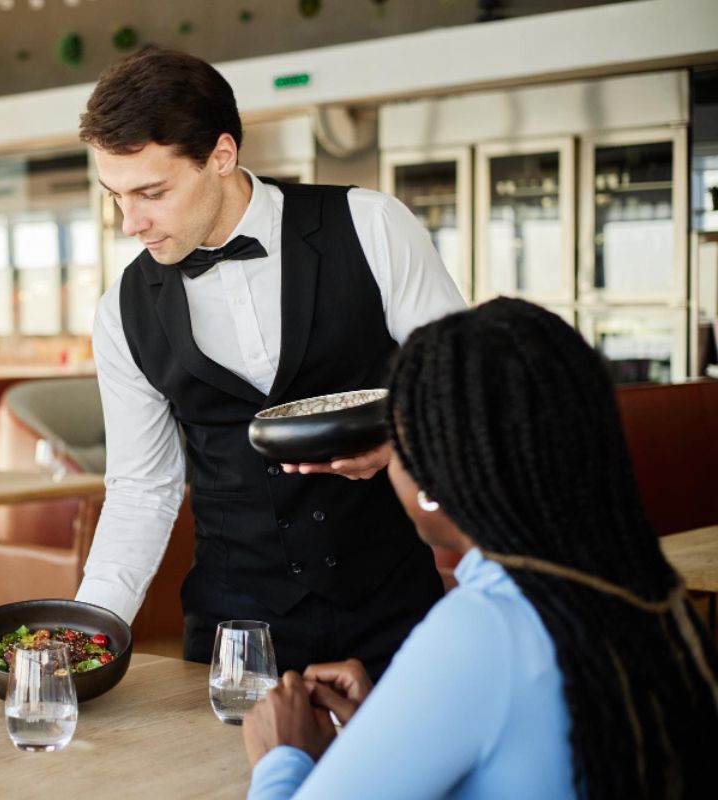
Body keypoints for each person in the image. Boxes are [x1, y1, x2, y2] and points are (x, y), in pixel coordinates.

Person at [74, 45, 465, 678]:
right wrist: (88, 640)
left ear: (221, 156)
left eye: (151, 192)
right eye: (115, 196)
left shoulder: (370, 226)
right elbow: (142, 490)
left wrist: (401, 442)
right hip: (234, 629)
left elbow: (462, 389)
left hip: (393, 606)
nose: (130, 223)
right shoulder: (122, 310)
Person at [242, 298, 718, 799]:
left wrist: (281, 756)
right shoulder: (655, 596)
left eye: (397, 443)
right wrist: (386, 726)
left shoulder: (480, 628)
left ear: (433, 484)